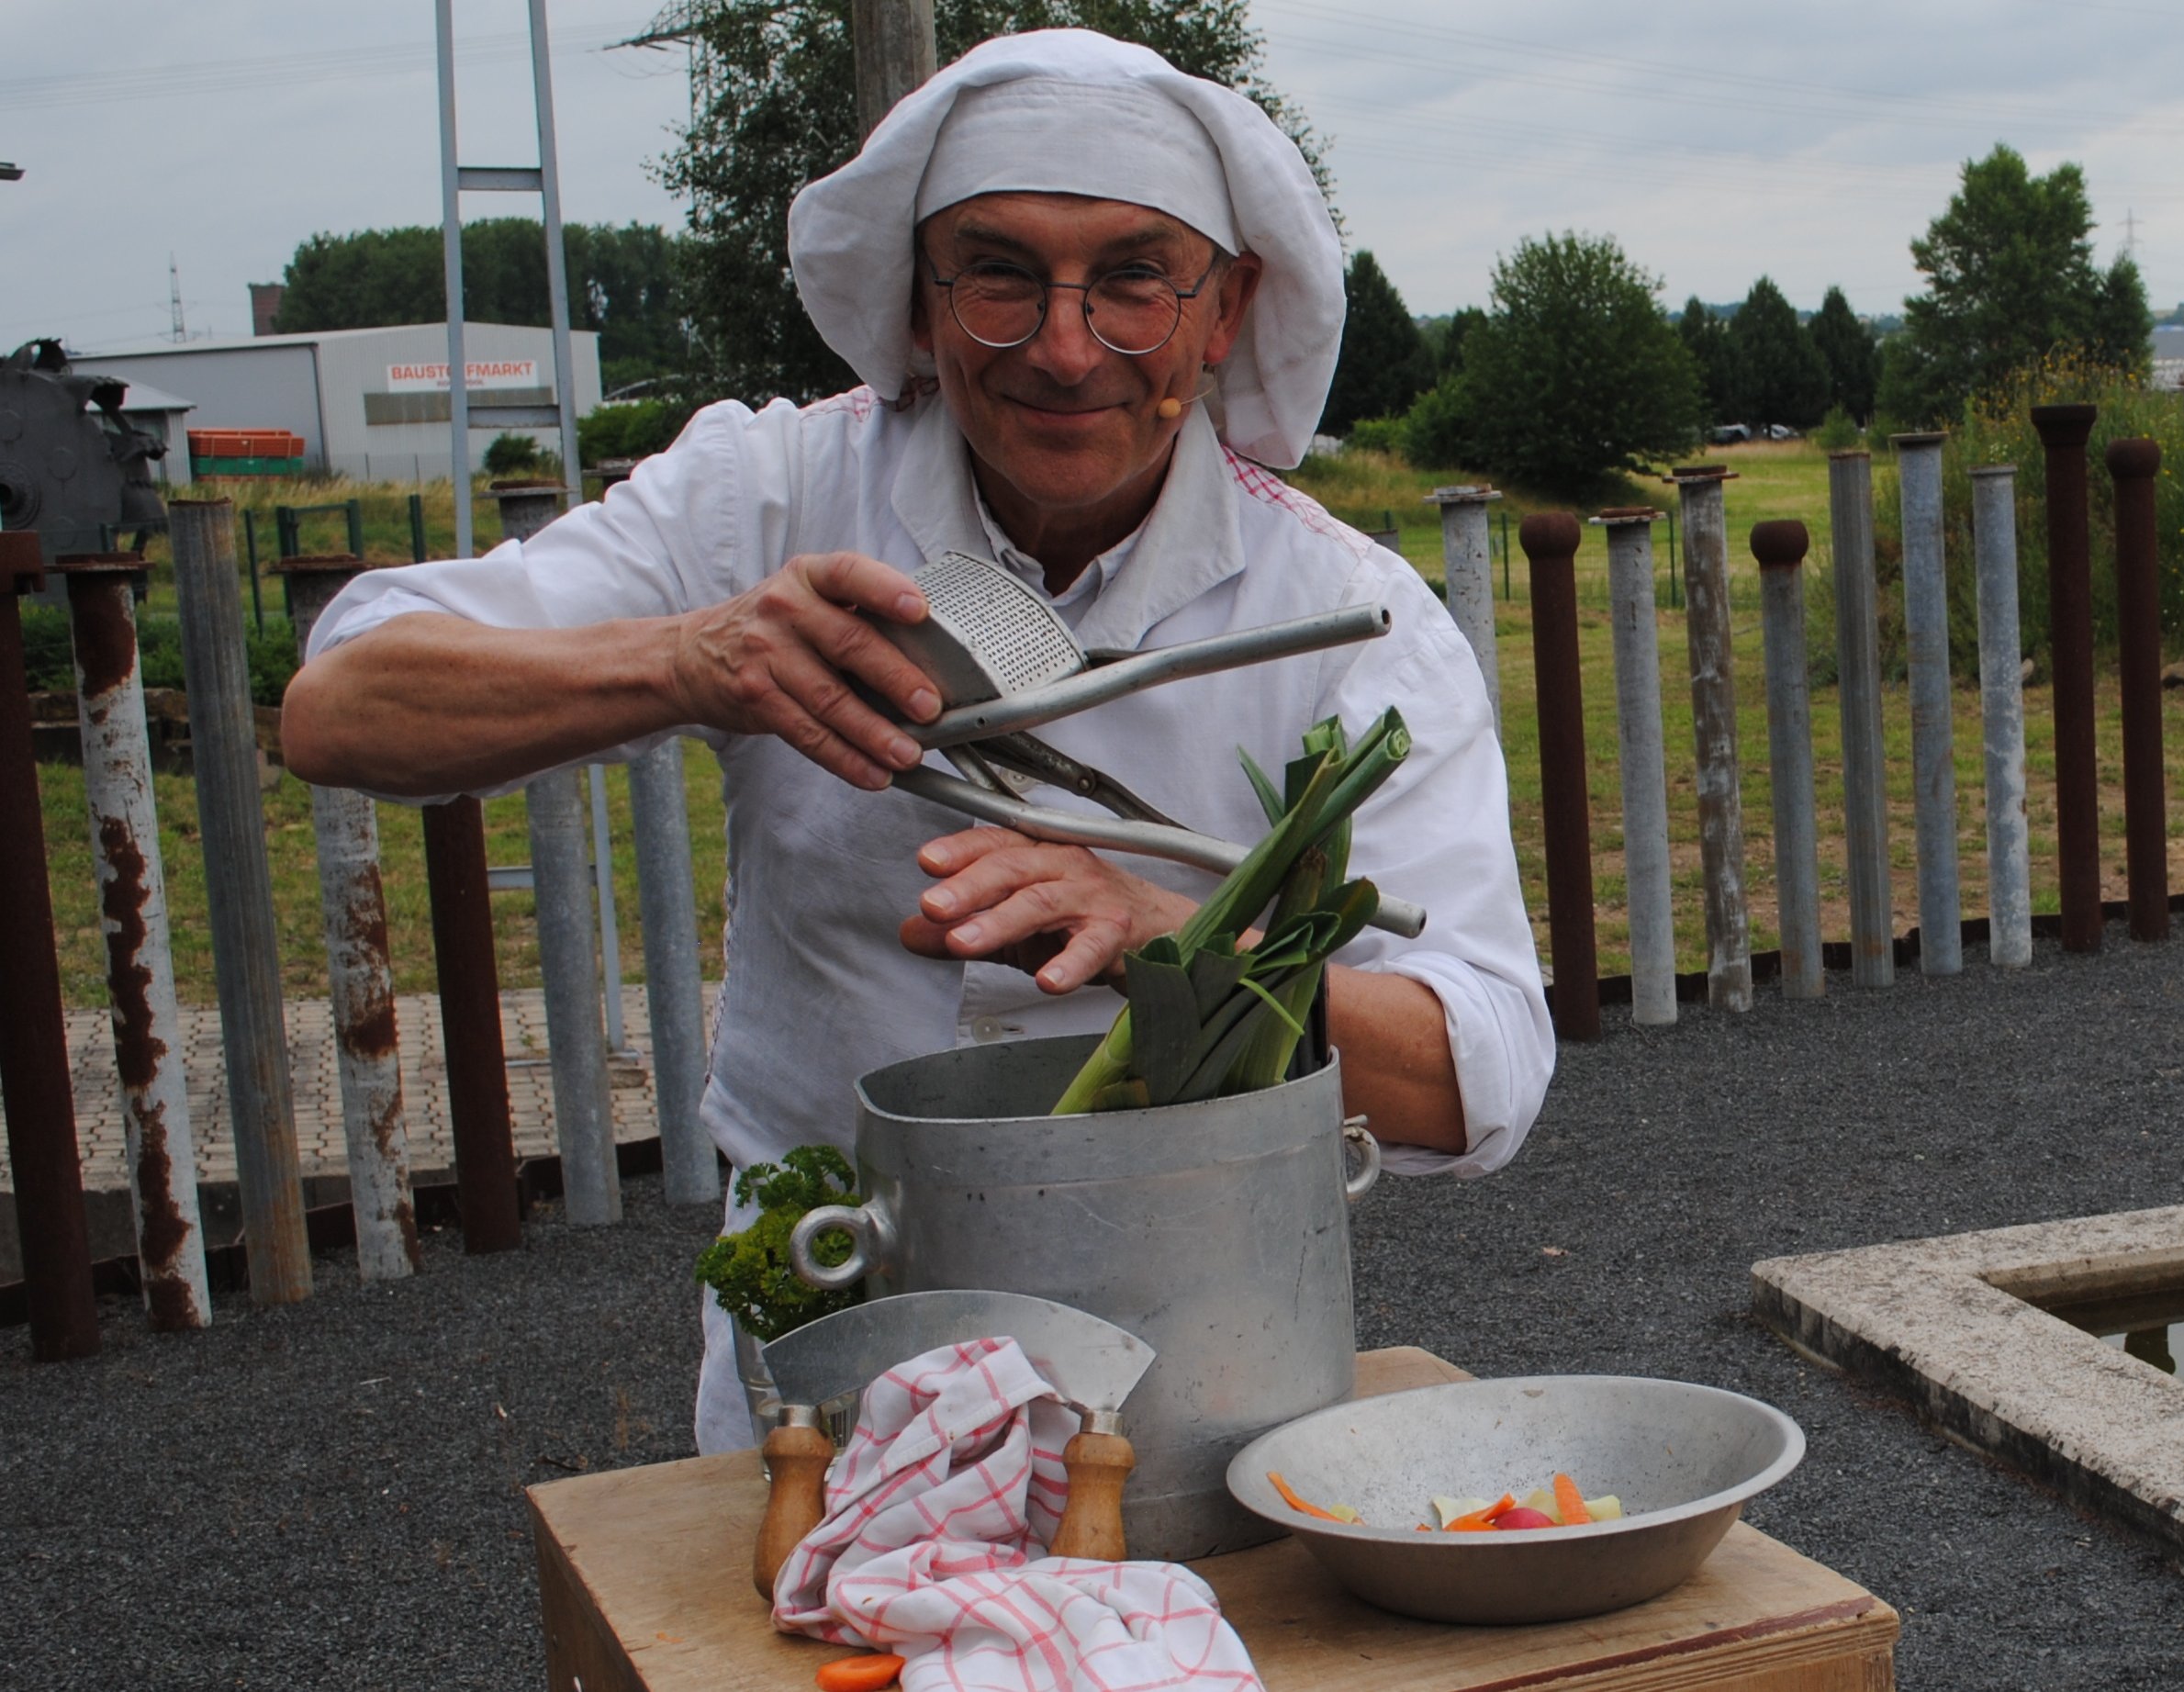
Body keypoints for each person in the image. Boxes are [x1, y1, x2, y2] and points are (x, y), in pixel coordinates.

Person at [282, 30, 1551, 1453]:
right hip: (821, 1340)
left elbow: (1479, 1069)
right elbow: (342, 701)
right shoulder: (766, 494)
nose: (1066, 351)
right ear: (920, 295)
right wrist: (693, 658)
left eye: (1135, 278)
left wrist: (1182, 956)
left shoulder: (1344, 616)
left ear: (1223, 309)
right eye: (1000, 272)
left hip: (1191, 1376)